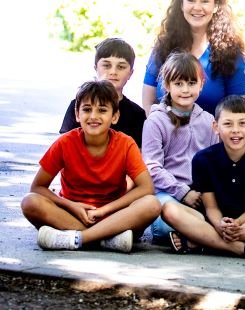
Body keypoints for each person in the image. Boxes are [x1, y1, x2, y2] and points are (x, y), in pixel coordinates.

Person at [21, 80, 161, 253]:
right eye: (87, 109)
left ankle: (81, 239)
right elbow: (37, 187)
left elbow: (146, 187)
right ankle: (106, 240)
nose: (94, 116)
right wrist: (71, 206)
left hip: (116, 216)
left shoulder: (126, 143)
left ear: (115, 116)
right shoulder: (65, 143)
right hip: (73, 215)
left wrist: (104, 210)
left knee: (152, 204)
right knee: (30, 202)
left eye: (102, 110)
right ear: (77, 114)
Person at [161, 95, 245, 259]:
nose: (235, 130)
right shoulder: (203, 159)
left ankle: (203, 242)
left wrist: (237, 224)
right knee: (169, 210)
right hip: (213, 222)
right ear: (216, 127)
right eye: (228, 124)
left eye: (242, 123)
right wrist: (219, 224)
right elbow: (211, 208)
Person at [143, 0, 245, 116]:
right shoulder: (163, 48)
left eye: (205, 1)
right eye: (191, 0)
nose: (197, 7)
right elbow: (148, 103)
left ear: (216, 6)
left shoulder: (231, 53)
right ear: (181, 5)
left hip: (213, 137)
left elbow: (239, 111)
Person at [141, 52, 219, 245]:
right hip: (167, 194)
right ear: (167, 86)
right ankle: (206, 232)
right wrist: (183, 193)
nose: (185, 90)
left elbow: (216, 162)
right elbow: (152, 167)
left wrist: (204, 195)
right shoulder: (156, 120)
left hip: (201, 195)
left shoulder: (208, 121)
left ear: (201, 85)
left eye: (192, 83)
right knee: (161, 227)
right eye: (178, 84)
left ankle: (195, 235)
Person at [60, 37, 146, 148]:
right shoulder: (79, 105)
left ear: (130, 73)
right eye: (106, 65)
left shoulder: (137, 114)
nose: (113, 72)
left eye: (121, 67)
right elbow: (63, 147)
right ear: (96, 68)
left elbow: (138, 154)